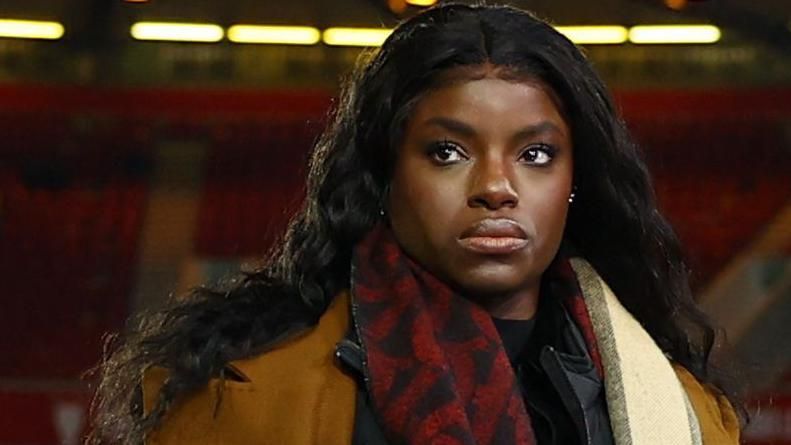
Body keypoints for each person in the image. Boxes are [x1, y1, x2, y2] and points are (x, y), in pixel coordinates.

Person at [87, 3, 743, 444]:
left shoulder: (686, 414)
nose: (494, 187)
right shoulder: (236, 409)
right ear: (383, 174)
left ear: (575, 182)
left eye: (535, 154)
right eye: (447, 152)